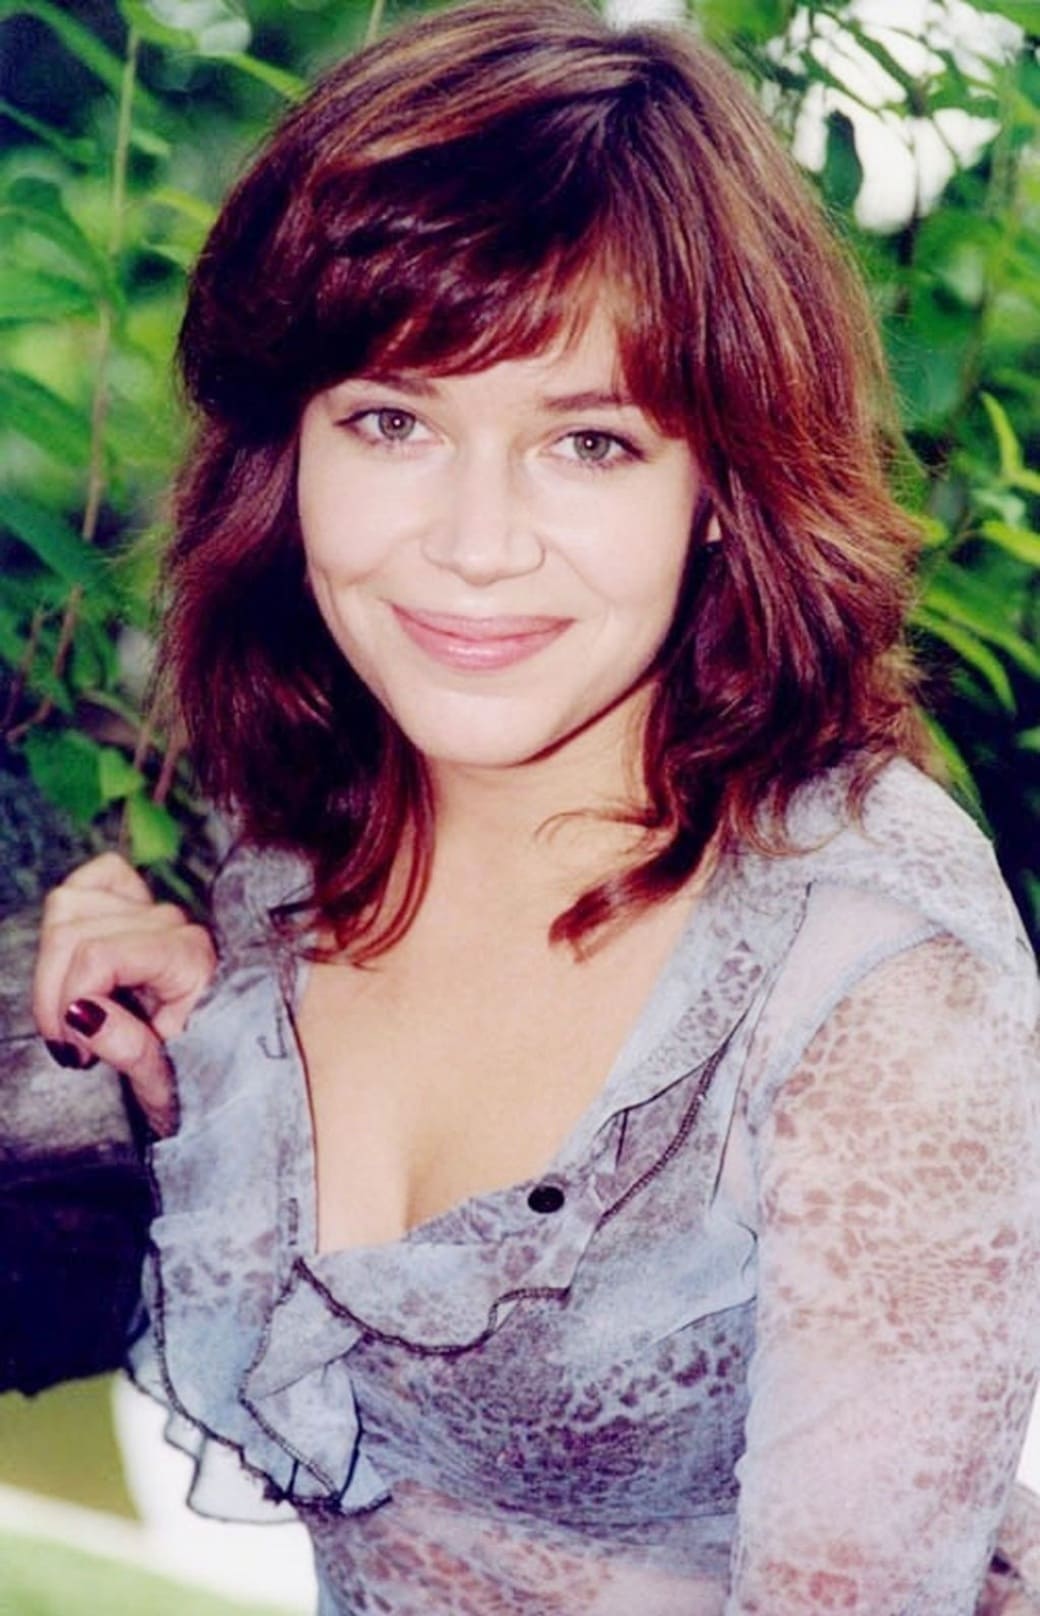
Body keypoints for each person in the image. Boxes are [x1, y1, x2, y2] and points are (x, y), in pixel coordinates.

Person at [30, 1, 1040, 1610]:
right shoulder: (309, 830)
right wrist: (189, 1046)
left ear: (723, 487)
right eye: (393, 421)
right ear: (286, 450)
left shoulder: (872, 980)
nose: (475, 543)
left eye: (588, 442)